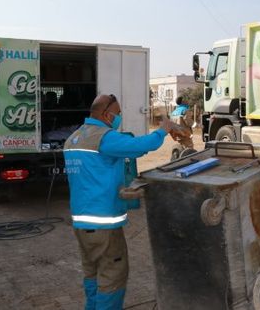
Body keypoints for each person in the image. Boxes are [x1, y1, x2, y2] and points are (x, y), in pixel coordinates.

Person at [64, 94, 181, 309]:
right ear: (106, 115)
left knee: (92, 273)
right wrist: (163, 130)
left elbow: (93, 176)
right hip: (103, 226)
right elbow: (139, 146)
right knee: (112, 276)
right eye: (117, 114)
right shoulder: (103, 137)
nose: (119, 118)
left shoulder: (74, 138)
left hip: (81, 224)